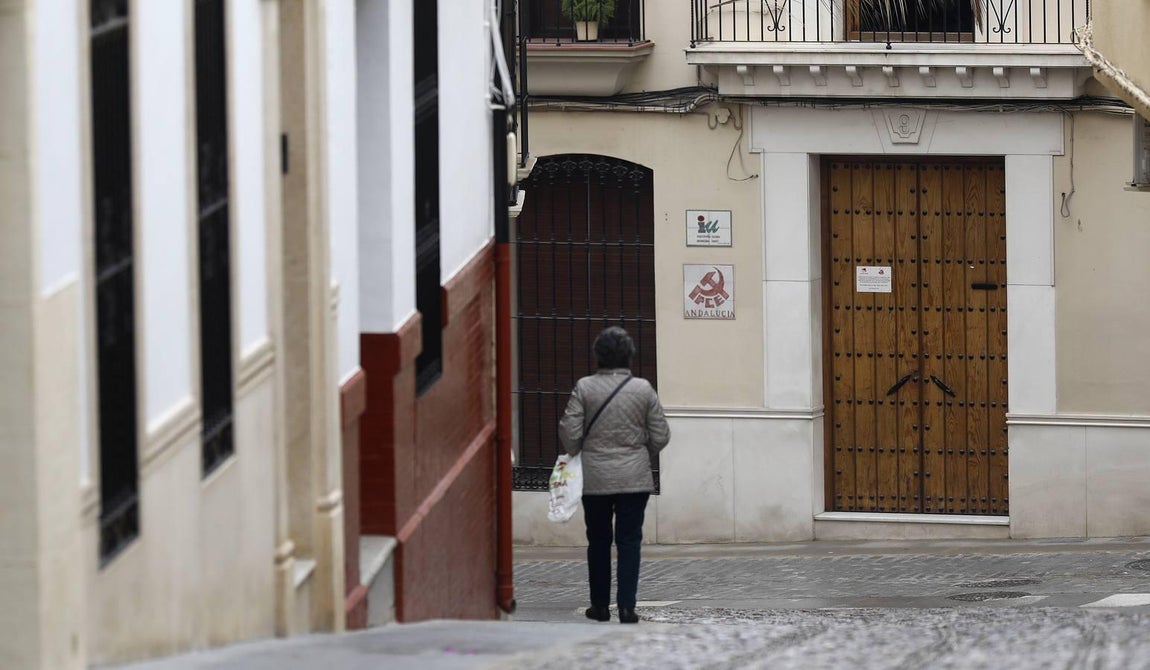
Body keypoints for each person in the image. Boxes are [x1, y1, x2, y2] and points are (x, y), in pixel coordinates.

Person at [559, 326, 670, 624]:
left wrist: (582, 450)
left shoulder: (584, 388)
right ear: (629, 356)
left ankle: (599, 606)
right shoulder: (643, 389)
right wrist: (640, 453)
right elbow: (661, 434)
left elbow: (570, 433)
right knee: (629, 541)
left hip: (595, 479)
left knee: (598, 541)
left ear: (598, 355)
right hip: (634, 479)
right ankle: (626, 607)